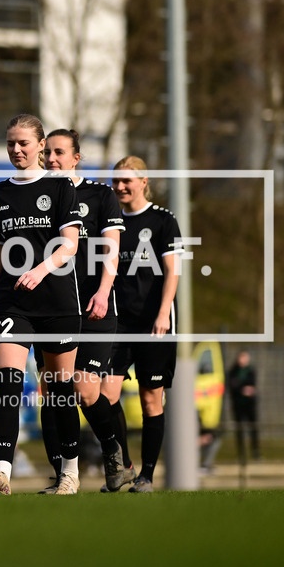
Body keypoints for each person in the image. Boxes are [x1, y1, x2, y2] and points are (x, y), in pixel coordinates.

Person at [0, 114, 82, 496]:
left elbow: (70, 244)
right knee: (8, 382)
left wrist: (40, 270)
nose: (16, 149)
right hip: (12, 303)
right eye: (10, 143)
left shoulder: (60, 187)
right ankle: (2, 473)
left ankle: (69, 472)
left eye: (23, 143)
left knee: (59, 389)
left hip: (57, 302)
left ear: (41, 145)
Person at [36, 128, 128, 495]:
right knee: (52, 391)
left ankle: (112, 450)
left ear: (76, 158)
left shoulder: (100, 196)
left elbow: (111, 250)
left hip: (94, 307)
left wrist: (104, 292)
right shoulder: (38, 196)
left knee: (85, 390)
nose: (52, 159)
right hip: (53, 309)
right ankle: (62, 475)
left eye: (59, 152)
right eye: (48, 152)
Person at [109, 155, 185, 493]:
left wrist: (163, 312)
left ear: (144, 181)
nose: (120, 187)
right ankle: (124, 465)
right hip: (118, 322)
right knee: (104, 395)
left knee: (150, 400)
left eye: (127, 180)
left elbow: (172, 270)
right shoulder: (110, 222)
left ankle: (147, 476)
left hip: (154, 322)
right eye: (116, 181)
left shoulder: (163, 220)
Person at [227, 350, 260, 461]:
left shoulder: (250, 370)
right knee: (239, 429)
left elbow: (252, 385)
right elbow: (233, 385)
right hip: (238, 405)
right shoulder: (233, 371)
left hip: (250, 405)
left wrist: (247, 389)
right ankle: (241, 454)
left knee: (253, 428)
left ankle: (255, 452)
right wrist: (242, 389)